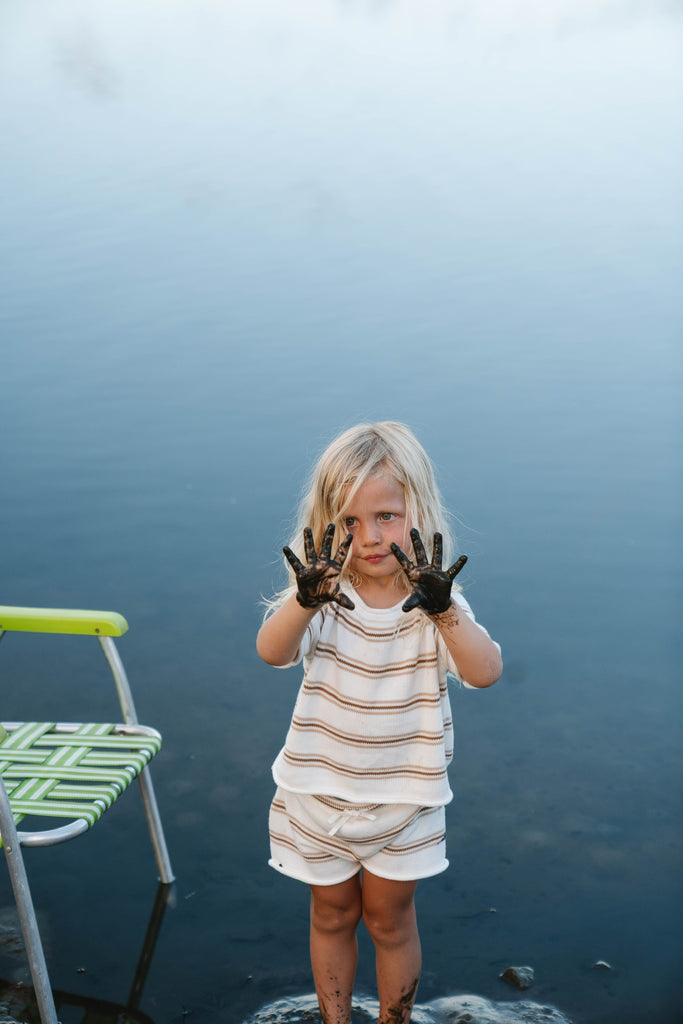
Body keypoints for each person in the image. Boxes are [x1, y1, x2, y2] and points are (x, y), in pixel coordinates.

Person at [256, 422, 502, 1024]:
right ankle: (335, 1020)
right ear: (323, 525)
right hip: (318, 794)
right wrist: (303, 598)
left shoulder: (434, 602)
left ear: (419, 509)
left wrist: (444, 609)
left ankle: (394, 1020)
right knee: (331, 916)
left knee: (390, 921)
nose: (368, 537)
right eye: (347, 522)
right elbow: (272, 651)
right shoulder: (323, 594)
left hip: (406, 800)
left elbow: (487, 670)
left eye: (387, 516)